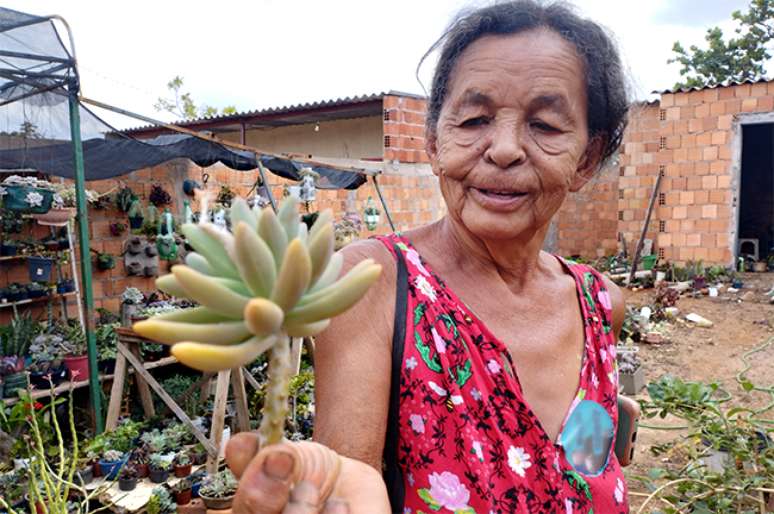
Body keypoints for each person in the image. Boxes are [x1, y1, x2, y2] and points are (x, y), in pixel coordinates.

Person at [226, 1, 630, 512]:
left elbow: (588, 464)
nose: (504, 149)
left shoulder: (599, 304)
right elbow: (351, 481)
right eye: (474, 119)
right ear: (434, 143)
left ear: (586, 159)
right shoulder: (372, 284)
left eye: (545, 125)